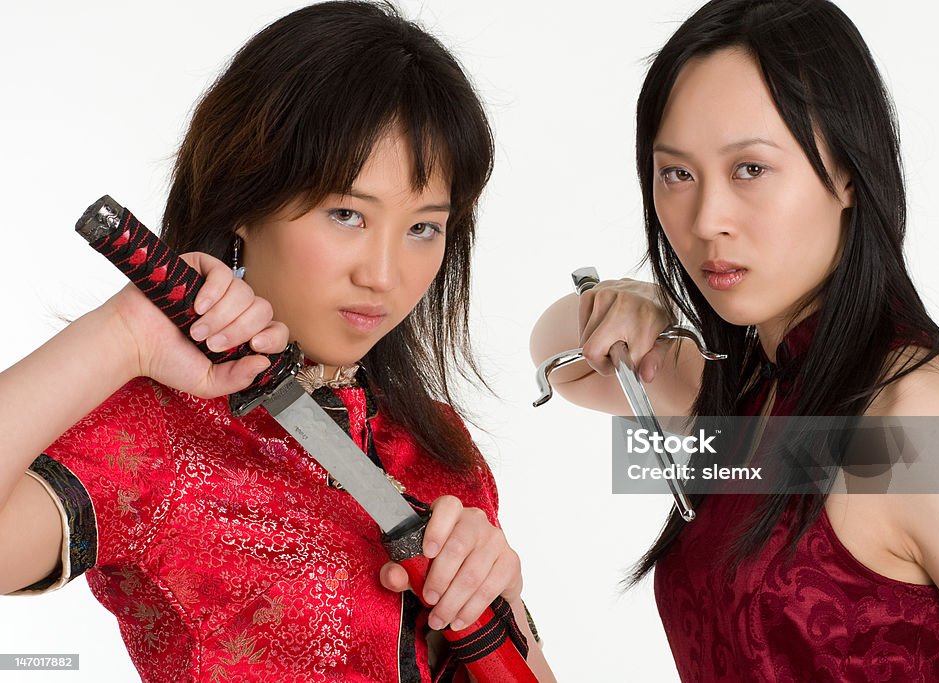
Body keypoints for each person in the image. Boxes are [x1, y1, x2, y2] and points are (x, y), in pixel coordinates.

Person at [0, 2, 554, 681]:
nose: (383, 275)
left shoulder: (443, 448)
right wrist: (123, 333)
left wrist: (501, 605)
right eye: (347, 214)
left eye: (422, 228)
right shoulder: (156, 434)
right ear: (243, 202)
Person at [531, 0, 939, 680]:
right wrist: (632, 299)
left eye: (750, 169)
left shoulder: (920, 417)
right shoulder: (750, 387)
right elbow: (563, 361)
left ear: (848, 171)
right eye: (677, 173)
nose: (707, 220)